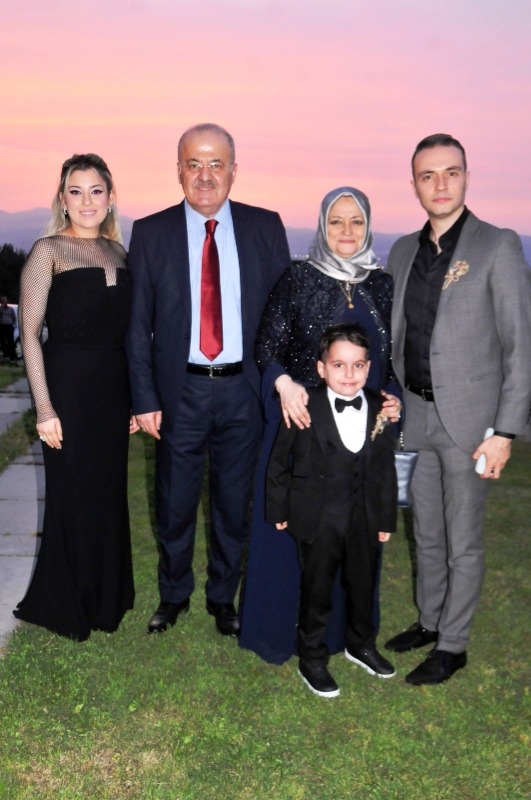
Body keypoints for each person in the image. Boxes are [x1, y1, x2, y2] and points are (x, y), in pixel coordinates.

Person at [125, 123, 291, 637]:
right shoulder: (151, 233)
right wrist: (144, 398)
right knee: (174, 502)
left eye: (216, 164)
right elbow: (137, 326)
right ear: (178, 171)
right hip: (181, 393)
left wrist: (281, 384)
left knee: (233, 504)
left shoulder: (265, 228)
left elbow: (283, 318)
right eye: (193, 164)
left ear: (234, 171)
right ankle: (173, 594)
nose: (205, 175)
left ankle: (223, 598)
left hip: (245, 391)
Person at [384, 133, 531, 684]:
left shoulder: (497, 245)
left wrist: (505, 431)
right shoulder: (402, 251)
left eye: (451, 172)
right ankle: (429, 621)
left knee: (462, 539)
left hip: (472, 423)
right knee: (425, 530)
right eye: (428, 175)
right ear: (415, 185)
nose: (440, 184)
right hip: (416, 417)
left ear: (467, 177)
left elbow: (520, 347)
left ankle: (453, 644)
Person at [239, 186, 401, 664]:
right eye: (336, 221)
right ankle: (282, 634)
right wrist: (284, 384)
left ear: (368, 226)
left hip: (360, 438)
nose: (346, 230)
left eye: (356, 221)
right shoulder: (298, 277)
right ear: (322, 225)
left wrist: (393, 401)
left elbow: (390, 362)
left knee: (356, 539)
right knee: (295, 536)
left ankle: (352, 639)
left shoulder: (382, 284)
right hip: (303, 429)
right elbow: (267, 348)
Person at [14, 154, 136, 641]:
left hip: (112, 392)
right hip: (67, 389)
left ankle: (107, 597)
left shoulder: (121, 253)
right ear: (62, 199)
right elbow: (29, 335)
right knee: (72, 496)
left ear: (110, 197)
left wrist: (133, 399)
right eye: (76, 191)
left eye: (96, 190)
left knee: (107, 495)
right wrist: (44, 408)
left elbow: (129, 335)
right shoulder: (48, 251)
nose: (87, 201)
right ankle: (68, 601)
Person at [266, 323, 397, 697]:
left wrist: (385, 518)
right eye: (339, 365)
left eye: (358, 365)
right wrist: (279, 509)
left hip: (364, 518)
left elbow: (385, 469)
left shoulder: (380, 407)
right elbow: (279, 462)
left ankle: (361, 644)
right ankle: (311, 658)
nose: (349, 374)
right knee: (317, 590)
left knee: (363, 585)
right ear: (322, 368)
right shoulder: (303, 403)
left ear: (368, 368)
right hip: (318, 518)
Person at [0, 296, 17, 362]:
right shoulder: (1, 309)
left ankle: (12, 356)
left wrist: (14, 325)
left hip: (9, 326)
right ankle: (5, 354)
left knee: (10, 341)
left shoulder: (10, 309)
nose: (4, 302)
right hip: (2, 326)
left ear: (7, 301)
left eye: (5, 300)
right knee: (3, 341)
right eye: (2, 301)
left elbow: (14, 317)